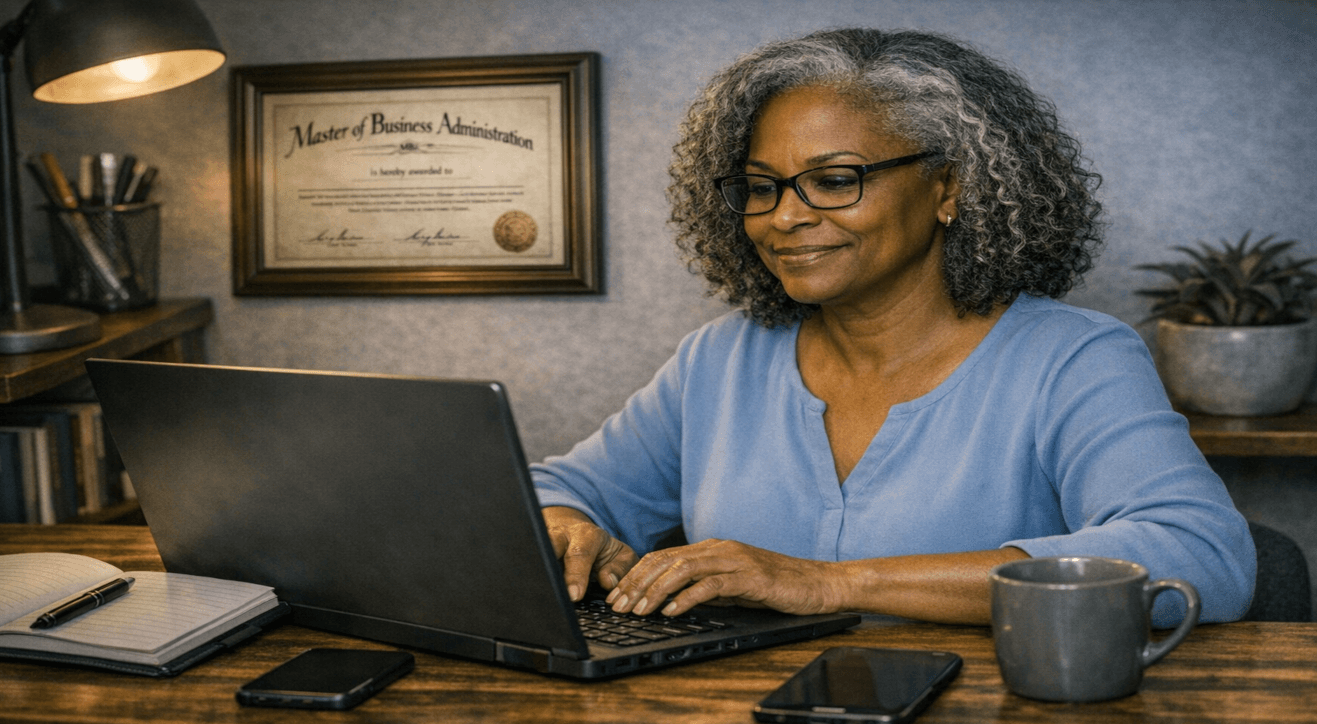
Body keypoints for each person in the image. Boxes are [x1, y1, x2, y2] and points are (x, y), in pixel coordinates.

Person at [531, 28, 1255, 627]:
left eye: (836, 179)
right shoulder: (721, 360)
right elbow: (557, 489)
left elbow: (1201, 556)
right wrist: (566, 526)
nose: (785, 215)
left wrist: (828, 583)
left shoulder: (1072, 358)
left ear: (949, 186)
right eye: (761, 187)